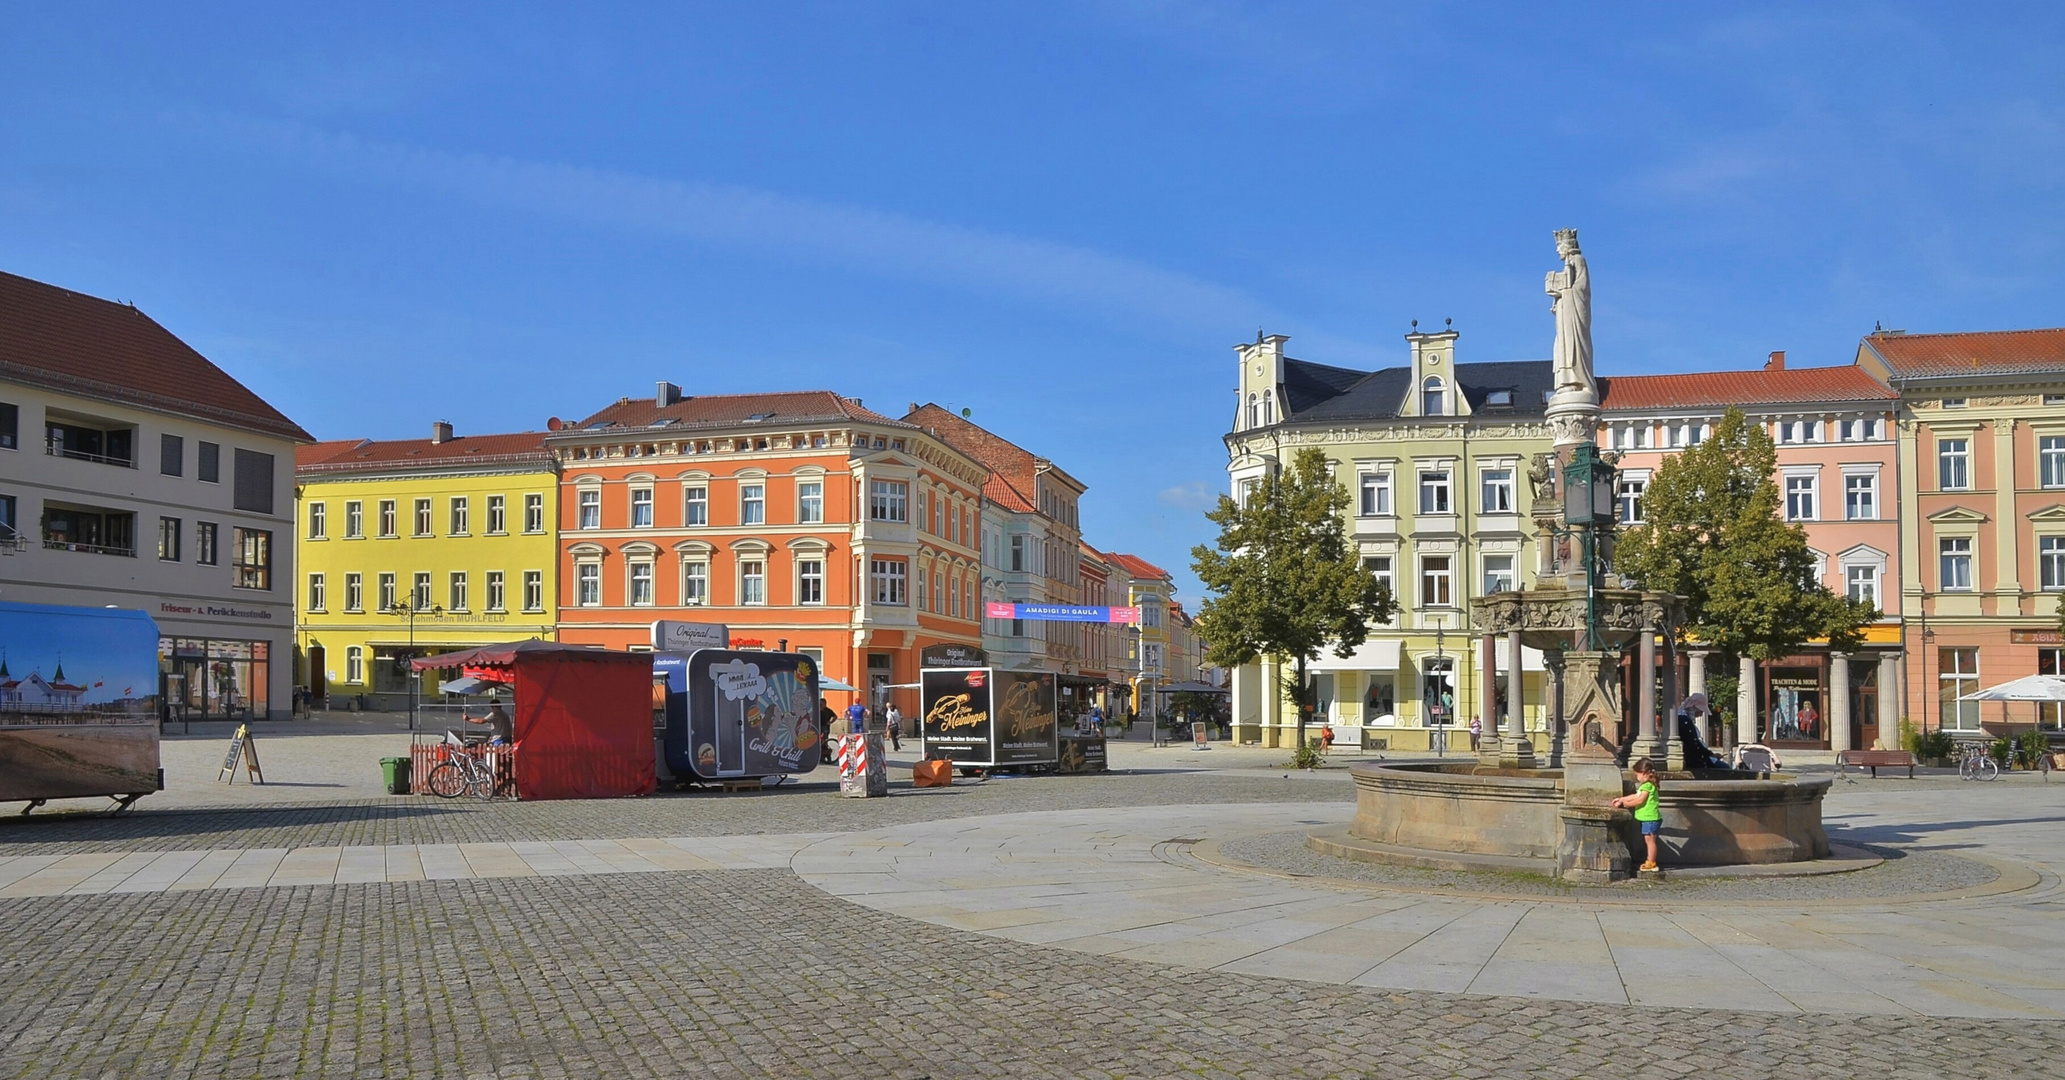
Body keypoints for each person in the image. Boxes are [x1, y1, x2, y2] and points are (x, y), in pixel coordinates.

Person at [1612, 757, 1663, 872]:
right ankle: (1650, 861)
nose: (1636, 777)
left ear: (1644, 773)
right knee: (1649, 840)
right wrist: (1622, 799)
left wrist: (1625, 805)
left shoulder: (1647, 786)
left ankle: (1651, 863)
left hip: (1650, 818)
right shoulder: (1647, 785)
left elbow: (1640, 800)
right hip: (1649, 818)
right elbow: (1636, 795)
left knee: (1650, 841)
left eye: (1637, 774)